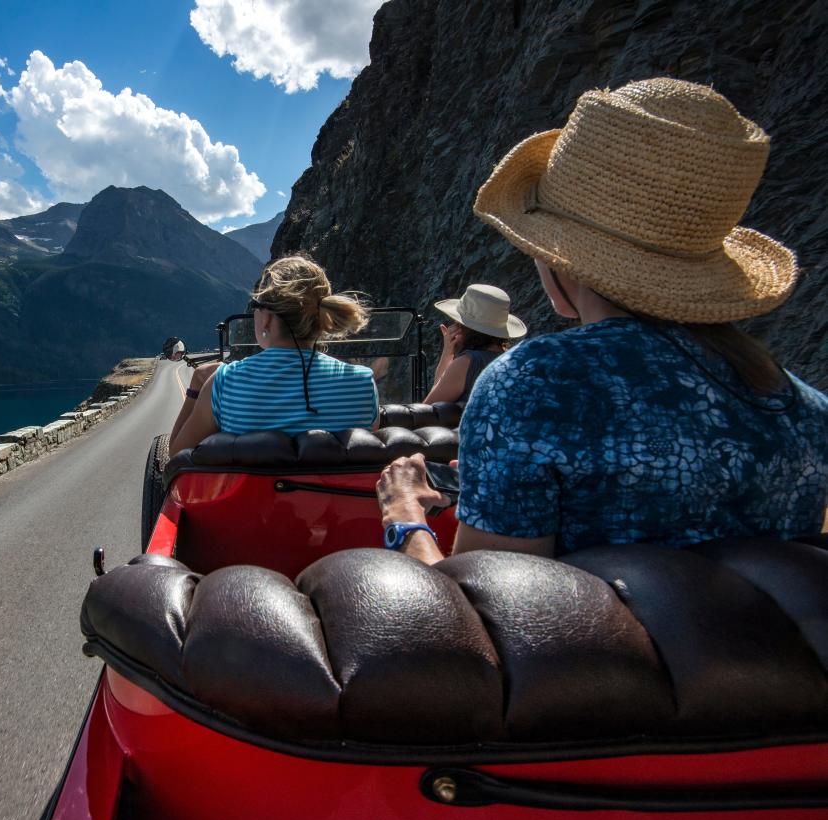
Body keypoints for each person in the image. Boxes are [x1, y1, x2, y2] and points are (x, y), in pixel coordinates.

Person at [377, 77, 828, 565]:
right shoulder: (807, 410)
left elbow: (477, 613)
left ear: (559, 262)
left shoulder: (534, 385)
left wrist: (404, 516)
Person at [169, 255, 379, 456]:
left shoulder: (224, 382)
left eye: (255, 307)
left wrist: (198, 385)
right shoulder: (362, 381)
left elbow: (178, 454)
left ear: (267, 319)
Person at [423, 284, 526, 405]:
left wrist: (447, 354)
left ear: (462, 328)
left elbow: (429, 410)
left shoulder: (467, 363)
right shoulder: (516, 361)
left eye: (457, 322)